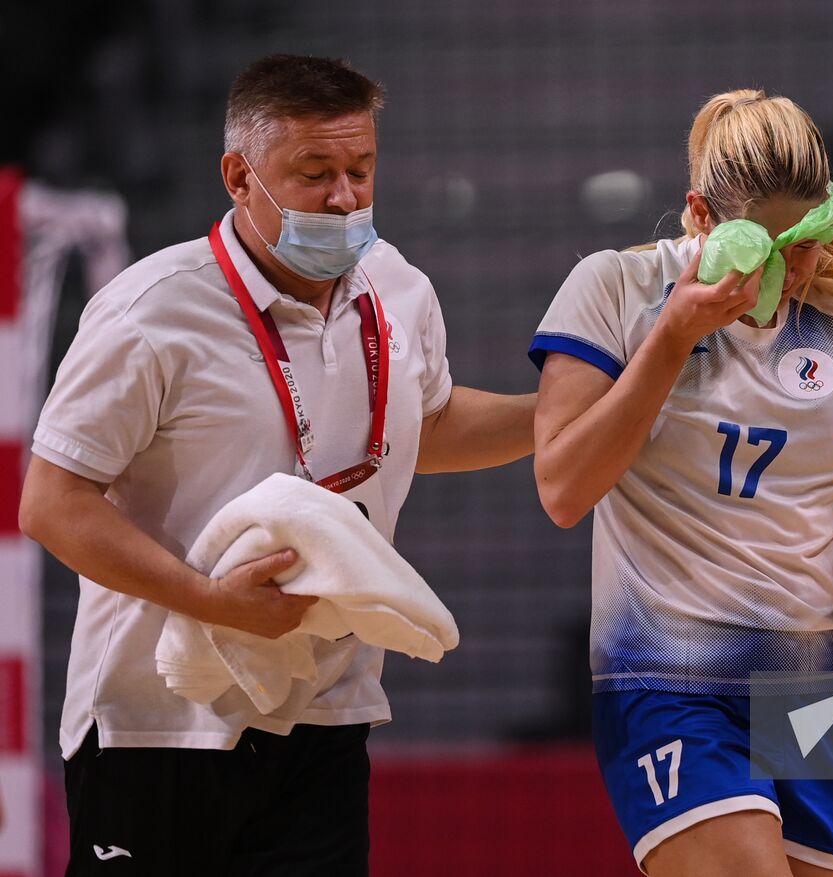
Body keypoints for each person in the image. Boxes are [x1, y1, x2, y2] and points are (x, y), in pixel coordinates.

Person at [18, 55, 534, 876]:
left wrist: (563, 416)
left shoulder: (398, 288)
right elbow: (50, 503)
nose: (344, 197)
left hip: (324, 716)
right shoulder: (149, 308)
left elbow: (423, 427)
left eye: (361, 169)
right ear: (239, 176)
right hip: (156, 723)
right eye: (315, 172)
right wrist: (212, 602)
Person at [530, 89, 833, 876]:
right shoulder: (617, 290)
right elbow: (564, 488)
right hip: (665, 676)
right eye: (761, 245)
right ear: (701, 217)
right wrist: (672, 338)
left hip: (807, 689)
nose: (788, 267)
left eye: (806, 242)